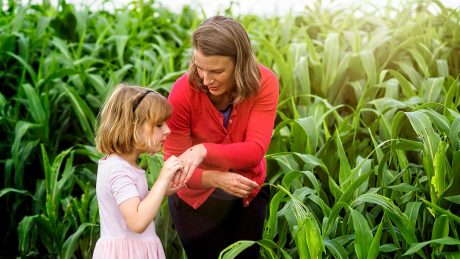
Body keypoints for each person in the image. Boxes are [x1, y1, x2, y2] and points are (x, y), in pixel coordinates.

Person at [164, 16, 279, 259]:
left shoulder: (264, 82)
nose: (205, 79)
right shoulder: (183, 92)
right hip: (194, 200)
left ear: (240, 64)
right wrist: (215, 177)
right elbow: (175, 168)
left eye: (216, 71)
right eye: (199, 67)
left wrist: (203, 150)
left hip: (246, 194)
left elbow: (255, 149)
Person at [92, 83, 183, 259]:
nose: (168, 130)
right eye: (158, 125)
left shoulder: (123, 166)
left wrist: (161, 191)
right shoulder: (118, 170)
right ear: (132, 126)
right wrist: (162, 180)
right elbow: (137, 221)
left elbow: (133, 204)